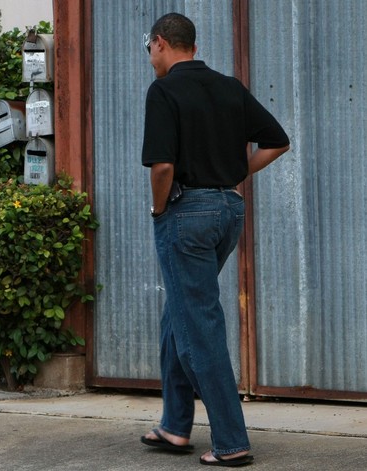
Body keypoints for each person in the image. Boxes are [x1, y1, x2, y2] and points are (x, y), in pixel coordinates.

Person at [139, 13, 290, 467]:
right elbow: (277, 141)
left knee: (197, 325)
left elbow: (162, 167)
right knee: (180, 313)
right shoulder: (228, 87)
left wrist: (161, 209)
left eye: (150, 49)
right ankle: (175, 425)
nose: (150, 59)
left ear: (162, 43)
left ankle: (230, 440)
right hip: (228, 210)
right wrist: (233, 174)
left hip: (186, 215)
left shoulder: (163, 90)